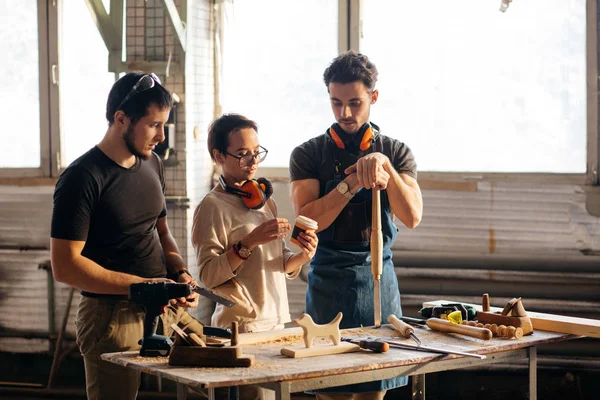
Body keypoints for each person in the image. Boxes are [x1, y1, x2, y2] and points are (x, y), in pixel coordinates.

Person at [50, 72, 202, 400]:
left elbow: (160, 230)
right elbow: (65, 267)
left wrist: (179, 273)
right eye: (154, 125)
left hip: (167, 306)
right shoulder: (82, 178)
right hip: (113, 318)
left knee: (221, 372)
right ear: (121, 119)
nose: (161, 136)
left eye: (165, 125)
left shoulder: (152, 164)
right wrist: (142, 287)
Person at [289, 51, 423, 400]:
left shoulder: (396, 151)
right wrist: (351, 185)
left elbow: (412, 216)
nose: (344, 113)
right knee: (329, 387)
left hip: (378, 277)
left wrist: (384, 167)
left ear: (373, 98)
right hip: (328, 280)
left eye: (354, 103)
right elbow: (308, 222)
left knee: (373, 389)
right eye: (336, 103)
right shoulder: (307, 154)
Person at [192, 113, 318, 334]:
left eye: (256, 152)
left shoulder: (264, 200)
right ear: (219, 155)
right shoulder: (211, 206)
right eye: (242, 155)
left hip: (275, 320)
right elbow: (207, 276)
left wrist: (303, 256)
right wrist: (247, 244)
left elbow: (278, 261)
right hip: (239, 326)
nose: (253, 162)